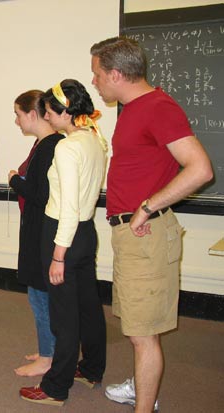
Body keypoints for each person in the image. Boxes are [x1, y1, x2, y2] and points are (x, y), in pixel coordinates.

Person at [90, 37, 213, 413]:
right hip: (132, 235)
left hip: (146, 233)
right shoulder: (135, 109)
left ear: (115, 74)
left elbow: (200, 169)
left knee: (144, 335)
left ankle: (145, 405)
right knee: (138, 327)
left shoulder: (158, 107)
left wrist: (147, 206)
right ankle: (141, 385)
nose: (94, 82)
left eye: (97, 74)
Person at [19, 79, 107, 406]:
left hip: (63, 234)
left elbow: (68, 207)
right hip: (85, 232)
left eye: (50, 112)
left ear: (65, 112)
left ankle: (56, 387)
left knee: (63, 315)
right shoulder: (94, 138)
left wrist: (58, 256)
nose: (46, 117)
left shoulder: (67, 148)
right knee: (88, 307)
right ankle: (92, 368)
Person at [8, 90, 64, 376]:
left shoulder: (49, 147)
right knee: (40, 295)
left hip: (42, 233)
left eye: (18, 115)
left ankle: (47, 357)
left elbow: (41, 194)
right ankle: (48, 349)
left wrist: (15, 181)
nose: (16, 121)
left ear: (32, 114)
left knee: (40, 296)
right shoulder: (46, 144)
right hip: (39, 230)